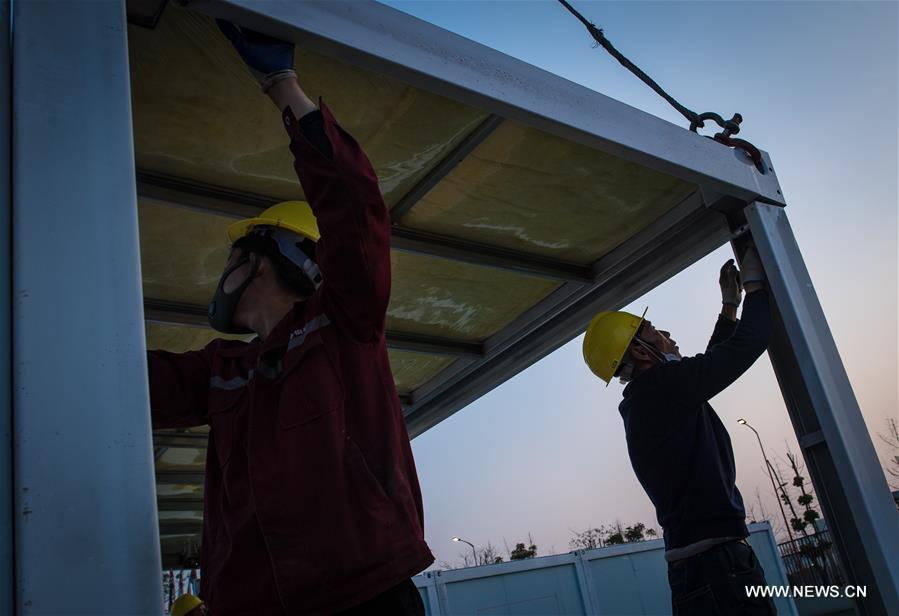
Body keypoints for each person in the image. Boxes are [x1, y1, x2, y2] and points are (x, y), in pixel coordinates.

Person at [148, 22, 433, 614]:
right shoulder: (222, 369)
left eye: (231, 256)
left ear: (264, 261)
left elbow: (355, 208)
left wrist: (283, 85)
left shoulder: (344, 324)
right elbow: (115, 383)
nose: (220, 274)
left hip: (363, 598)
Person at [582, 247, 777, 615]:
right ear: (640, 352)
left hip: (700, 567)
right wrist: (755, 286)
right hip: (717, 566)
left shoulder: (651, 397)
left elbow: (705, 369)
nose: (666, 333)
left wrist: (729, 308)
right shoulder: (662, 390)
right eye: (654, 330)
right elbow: (746, 346)